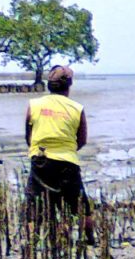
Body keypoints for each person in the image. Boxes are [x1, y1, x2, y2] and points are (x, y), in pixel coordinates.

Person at [24, 64, 94, 239]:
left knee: (34, 204)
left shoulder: (34, 105)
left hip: (41, 159)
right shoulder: (77, 108)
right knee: (80, 205)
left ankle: (32, 243)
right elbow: (82, 140)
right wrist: (67, 150)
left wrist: (35, 151)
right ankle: (90, 239)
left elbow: (29, 134)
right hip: (68, 161)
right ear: (69, 85)